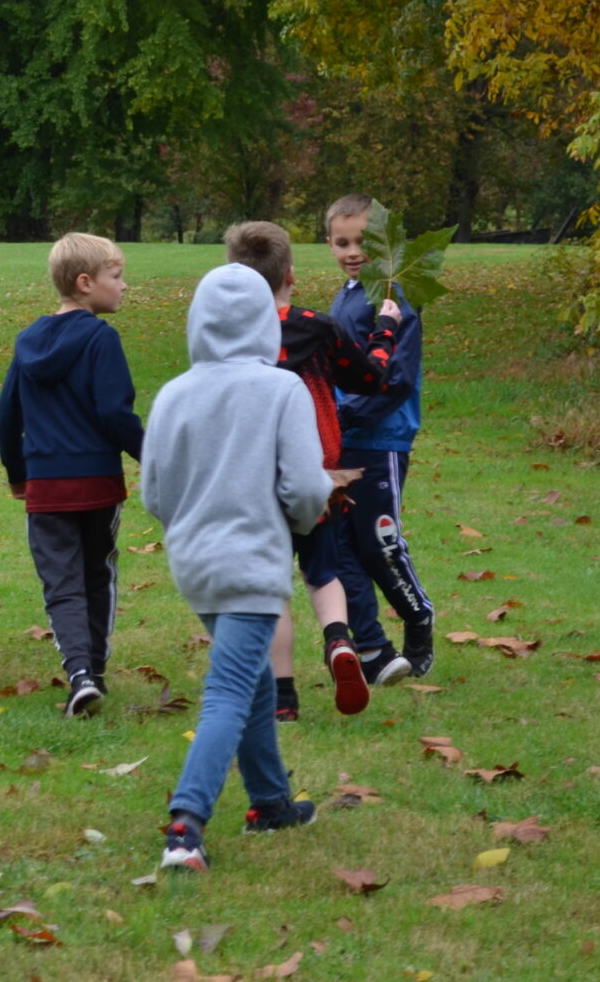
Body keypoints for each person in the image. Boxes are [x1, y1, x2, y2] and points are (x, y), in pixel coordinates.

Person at [145, 263, 333, 872]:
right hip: (251, 561)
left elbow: (153, 490)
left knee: (251, 684)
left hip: (194, 563)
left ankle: (271, 803)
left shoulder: (174, 393)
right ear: (264, 323)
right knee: (227, 692)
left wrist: (188, 525)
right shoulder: (283, 390)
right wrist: (301, 522)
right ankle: (186, 823)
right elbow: (306, 485)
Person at [221, 221, 401, 720]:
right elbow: (371, 376)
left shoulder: (229, 334)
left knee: (272, 584)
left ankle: (283, 697)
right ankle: (340, 641)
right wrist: (386, 329)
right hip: (316, 472)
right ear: (291, 275)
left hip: (254, 477)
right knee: (323, 573)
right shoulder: (316, 328)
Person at [0, 232, 144, 716]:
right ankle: (92, 670)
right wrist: (154, 457)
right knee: (97, 573)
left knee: (61, 581)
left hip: (45, 484)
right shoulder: (102, 339)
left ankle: (81, 672)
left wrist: (18, 473)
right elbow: (116, 414)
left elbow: (7, 415)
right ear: (85, 283)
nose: (124, 286)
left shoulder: (27, 342)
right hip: (98, 480)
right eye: (116, 277)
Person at [320, 193, 435, 684]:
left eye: (362, 242)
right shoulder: (345, 295)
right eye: (341, 242)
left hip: (381, 438)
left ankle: (417, 616)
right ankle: (373, 648)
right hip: (341, 438)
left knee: (378, 543)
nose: (353, 251)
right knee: (341, 545)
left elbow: (397, 380)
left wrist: (347, 416)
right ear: (329, 244)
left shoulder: (394, 301)